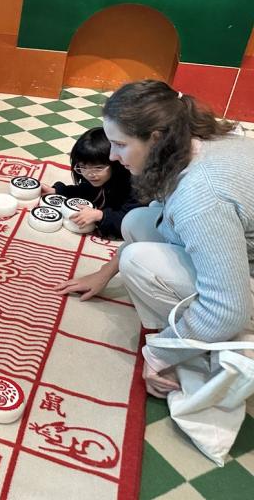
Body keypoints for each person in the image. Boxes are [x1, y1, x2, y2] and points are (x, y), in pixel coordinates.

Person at [55, 80, 253, 398]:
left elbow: (229, 307)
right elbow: (158, 219)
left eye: (120, 145)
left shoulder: (201, 195)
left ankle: (229, 342)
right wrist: (104, 273)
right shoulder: (194, 143)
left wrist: (160, 354)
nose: (114, 156)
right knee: (137, 220)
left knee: (138, 261)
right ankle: (195, 330)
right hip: (239, 251)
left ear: (156, 138)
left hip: (241, 295)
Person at [41, 127, 141, 239]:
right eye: (82, 167)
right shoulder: (102, 178)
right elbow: (87, 191)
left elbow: (134, 224)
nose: (90, 174)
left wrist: (100, 215)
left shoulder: (136, 186)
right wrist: (58, 191)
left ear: (116, 163)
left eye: (98, 167)